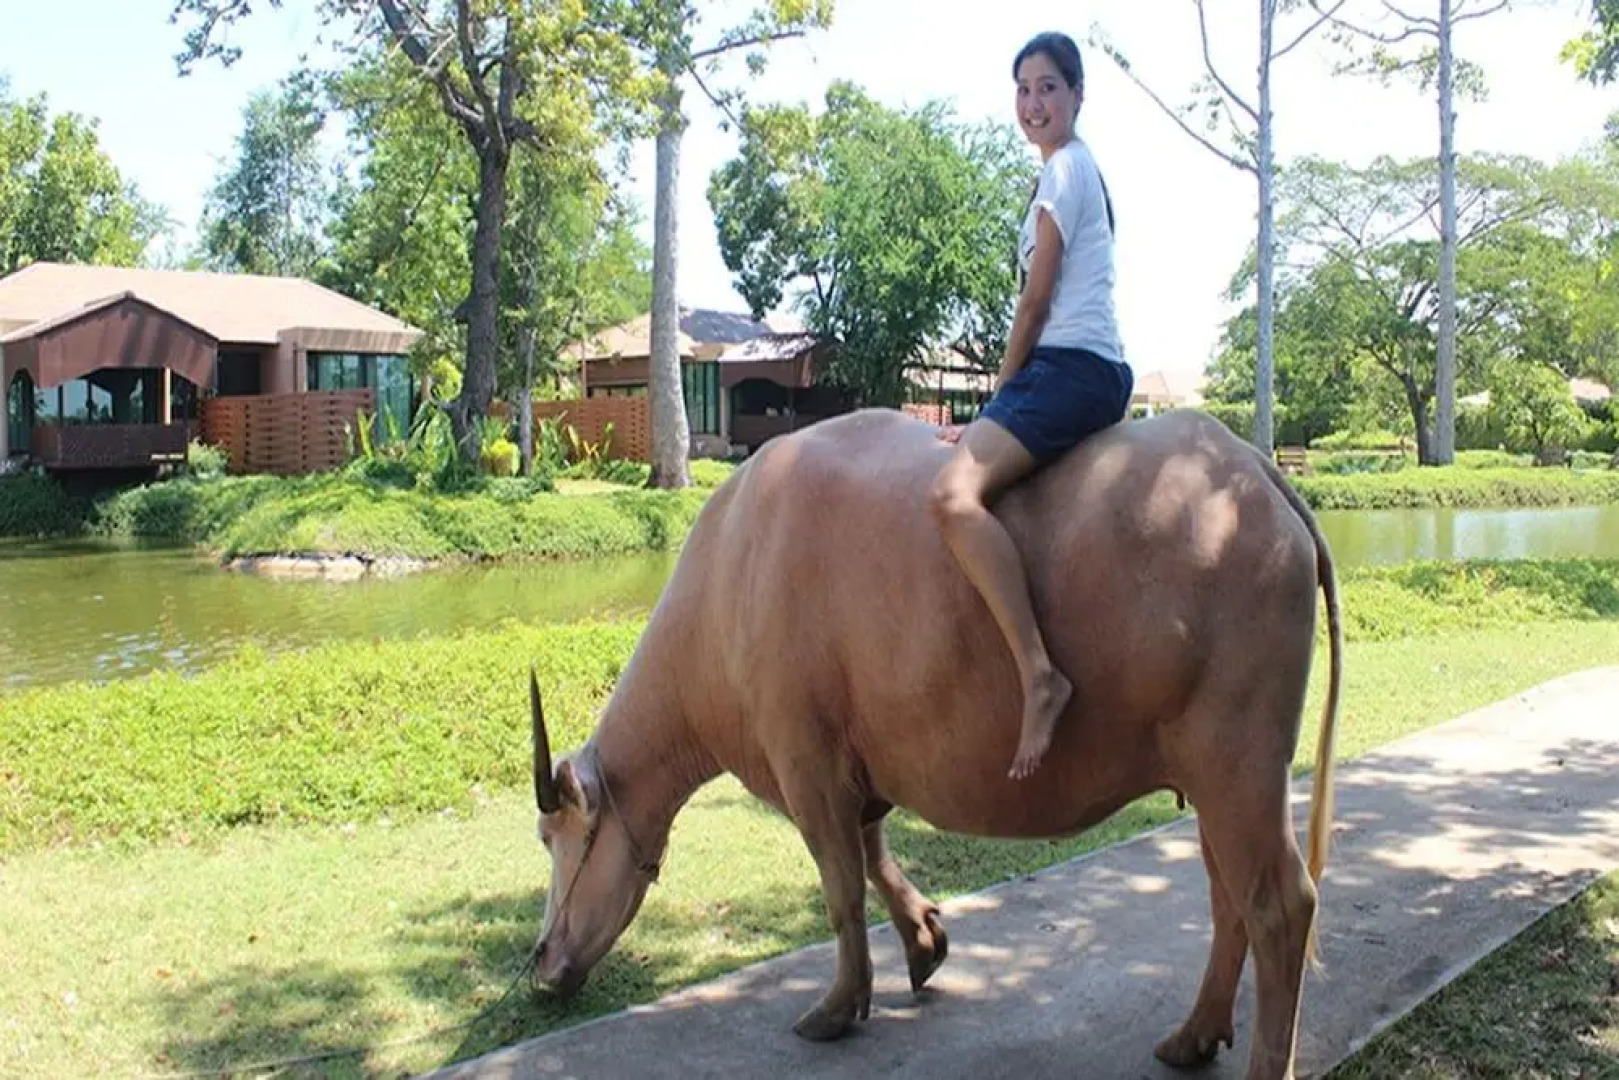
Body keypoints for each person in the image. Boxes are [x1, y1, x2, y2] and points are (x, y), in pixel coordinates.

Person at [928, 30, 1134, 781]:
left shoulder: (1064, 173)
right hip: (1089, 365)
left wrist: (1001, 396)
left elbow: (1036, 299)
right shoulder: (1073, 174)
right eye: (1022, 89)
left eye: (1048, 87)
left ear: (1077, 95)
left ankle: (1037, 673)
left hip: (1070, 366)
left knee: (952, 497)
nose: (1033, 103)